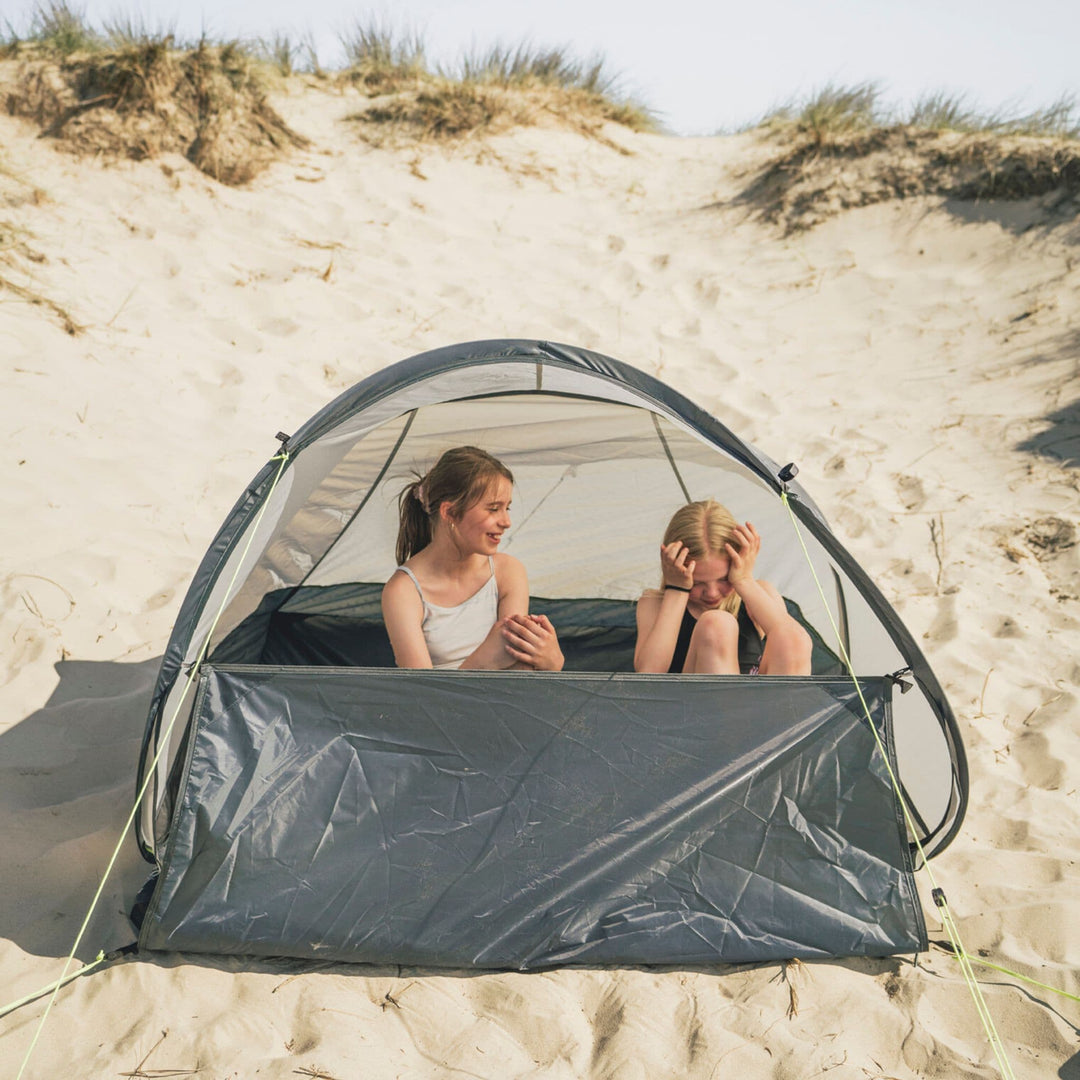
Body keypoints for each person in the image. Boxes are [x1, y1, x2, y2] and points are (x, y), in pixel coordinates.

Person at [381, 446, 564, 671]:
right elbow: (422, 696)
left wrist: (553, 663)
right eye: (494, 509)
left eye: (507, 508)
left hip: (501, 702)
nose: (506, 522)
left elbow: (519, 670)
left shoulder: (508, 572)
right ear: (449, 513)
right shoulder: (403, 591)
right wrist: (483, 661)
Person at [634, 499, 812, 676]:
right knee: (716, 624)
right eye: (696, 582)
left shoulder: (759, 593)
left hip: (759, 702)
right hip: (691, 702)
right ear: (673, 569)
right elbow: (648, 672)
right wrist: (677, 590)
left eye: (725, 579)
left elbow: (795, 644)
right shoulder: (655, 604)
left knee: (791, 635)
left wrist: (743, 581)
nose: (712, 593)